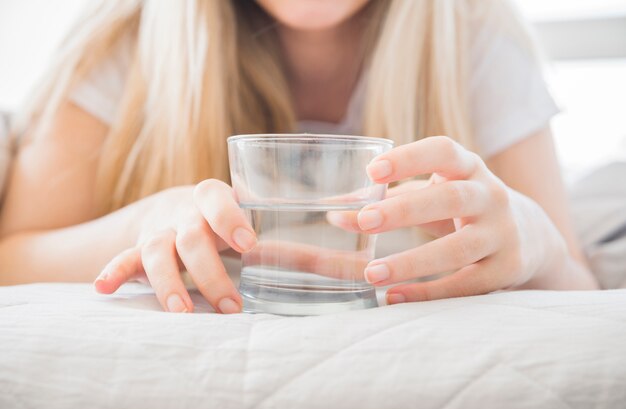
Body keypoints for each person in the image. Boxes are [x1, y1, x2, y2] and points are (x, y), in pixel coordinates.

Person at [0, 0, 598, 314]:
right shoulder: (128, 36)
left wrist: (538, 243)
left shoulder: (472, 31)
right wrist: (145, 220)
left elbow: (576, 283)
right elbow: (12, 255)